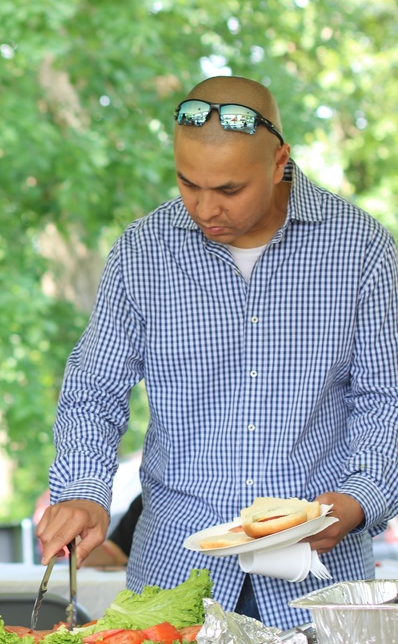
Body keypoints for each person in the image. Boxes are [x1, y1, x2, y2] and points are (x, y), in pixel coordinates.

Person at [36, 76, 398, 630]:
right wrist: (85, 492)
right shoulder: (144, 251)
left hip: (320, 581)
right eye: (187, 183)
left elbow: (385, 400)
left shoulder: (362, 249)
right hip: (175, 573)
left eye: (229, 190)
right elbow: (93, 391)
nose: (205, 209)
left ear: (280, 161)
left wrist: (358, 498)